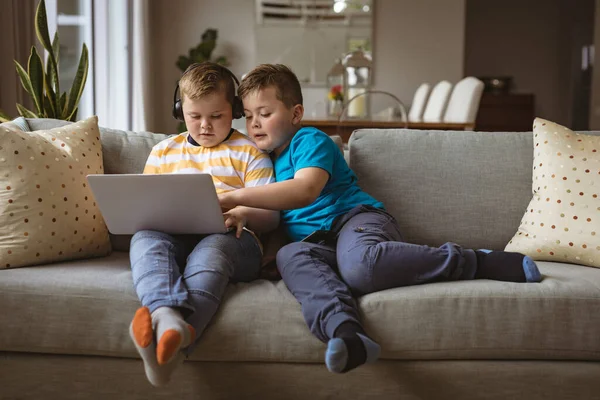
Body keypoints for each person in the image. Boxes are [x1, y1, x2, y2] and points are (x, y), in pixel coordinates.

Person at [218, 64, 542, 374]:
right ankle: (346, 333)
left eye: (265, 113)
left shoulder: (309, 140)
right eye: (248, 116)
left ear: (295, 113)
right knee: (291, 256)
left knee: (361, 267)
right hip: (315, 243)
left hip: (356, 220)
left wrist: (233, 197)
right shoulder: (263, 162)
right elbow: (277, 216)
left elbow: (304, 190)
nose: (254, 124)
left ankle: (475, 262)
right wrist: (254, 228)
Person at [128, 62, 279, 387]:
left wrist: (244, 211)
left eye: (217, 116)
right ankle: (166, 317)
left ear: (235, 111)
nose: (205, 126)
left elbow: (272, 216)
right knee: (144, 236)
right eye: (195, 116)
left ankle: (166, 344)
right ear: (180, 110)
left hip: (234, 240)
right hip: (175, 238)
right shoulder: (163, 151)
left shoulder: (250, 152)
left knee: (215, 247)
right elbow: (143, 205)